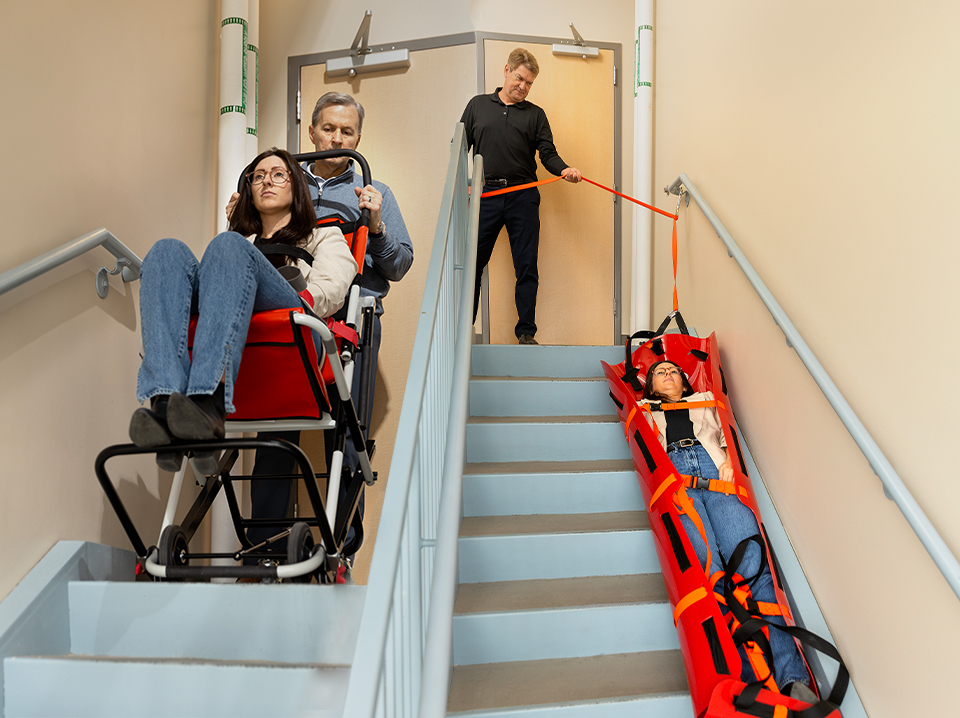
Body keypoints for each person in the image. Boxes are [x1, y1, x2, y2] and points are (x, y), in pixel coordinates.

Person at [231, 92, 413, 569]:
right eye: (328, 129)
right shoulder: (284, 183)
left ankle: (342, 549)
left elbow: (399, 267)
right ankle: (264, 553)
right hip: (284, 316)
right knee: (275, 433)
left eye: (346, 132)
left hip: (350, 319)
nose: (336, 138)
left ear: (358, 138)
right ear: (311, 131)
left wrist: (376, 226)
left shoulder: (375, 192)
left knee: (347, 439)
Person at [128, 148, 358, 478]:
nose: (267, 181)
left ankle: (209, 400)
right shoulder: (238, 238)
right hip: (238, 332)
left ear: (297, 187)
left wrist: (244, 253)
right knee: (166, 252)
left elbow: (331, 289)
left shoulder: (322, 234)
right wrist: (235, 233)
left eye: (279, 174)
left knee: (228, 246)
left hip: (294, 324)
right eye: (258, 176)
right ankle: (165, 404)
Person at [640, 360, 813, 697]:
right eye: (659, 372)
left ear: (685, 382)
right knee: (709, 576)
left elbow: (726, 435)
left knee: (755, 567)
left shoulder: (705, 398)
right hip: (675, 478)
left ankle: (793, 678)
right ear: (649, 386)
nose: (667, 374)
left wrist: (727, 464)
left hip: (716, 472)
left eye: (674, 371)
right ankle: (746, 682)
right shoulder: (643, 411)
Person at [460, 47, 582, 345]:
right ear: (506, 70)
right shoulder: (477, 106)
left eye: (529, 83)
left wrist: (565, 169)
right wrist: (465, 184)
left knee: (526, 266)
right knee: (472, 265)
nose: (523, 87)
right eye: (519, 79)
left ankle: (526, 332)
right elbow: (459, 148)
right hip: (485, 195)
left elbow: (547, 154)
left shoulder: (536, 115)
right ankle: (463, 330)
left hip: (523, 196)